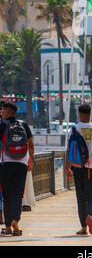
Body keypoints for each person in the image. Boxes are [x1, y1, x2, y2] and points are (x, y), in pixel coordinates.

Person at [66, 104, 92, 236]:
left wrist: (68, 168)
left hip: (77, 168)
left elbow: (69, 150)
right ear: (90, 113)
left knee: (80, 197)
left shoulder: (74, 129)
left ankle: (83, 227)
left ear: (80, 114)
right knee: (91, 196)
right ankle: (89, 216)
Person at [0, 101, 34, 236]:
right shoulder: (24, 125)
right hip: (22, 164)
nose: (1, 111)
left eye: (2, 110)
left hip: (5, 164)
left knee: (7, 196)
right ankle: (15, 220)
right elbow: (30, 144)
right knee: (18, 194)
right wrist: (30, 160)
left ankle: (8, 226)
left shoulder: (2, 125)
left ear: (7, 112)